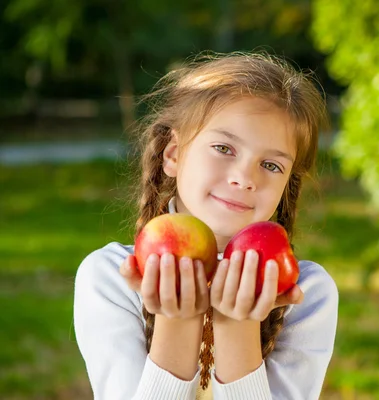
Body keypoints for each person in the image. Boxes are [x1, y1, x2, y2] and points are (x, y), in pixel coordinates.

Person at [73, 52, 339, 400]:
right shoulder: (112, 278)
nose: (244, 178)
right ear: (173, 154)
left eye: (271, 165)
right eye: (224, 148)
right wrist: (177, 321)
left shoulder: (304, 293)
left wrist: (237, 327)